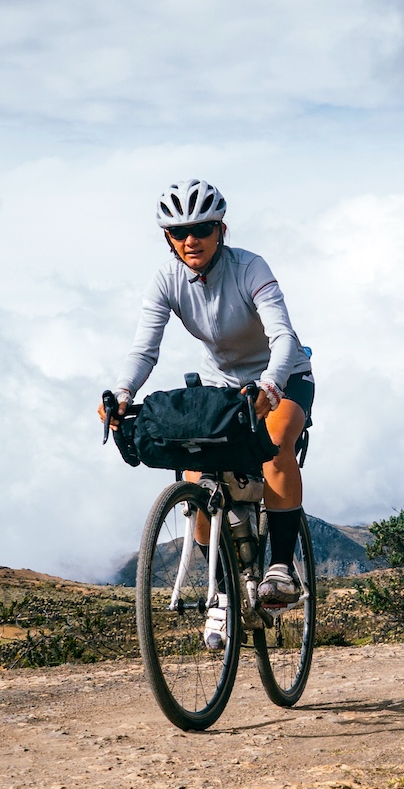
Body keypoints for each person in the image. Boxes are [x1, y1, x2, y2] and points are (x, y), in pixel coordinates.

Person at [104, 179, 313, 612]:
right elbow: (145, 349)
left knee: (274, 448)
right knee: (196, 477)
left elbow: (283, 336)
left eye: (201, 228)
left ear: (220, 229)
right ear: (168, 238)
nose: (191, 239)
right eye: (179, 232)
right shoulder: (166, 280)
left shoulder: (250, 268)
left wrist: (271, 387)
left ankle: (280, 571)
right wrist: (123, 392)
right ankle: (223, 589)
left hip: (284, 374)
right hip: (222, 383)